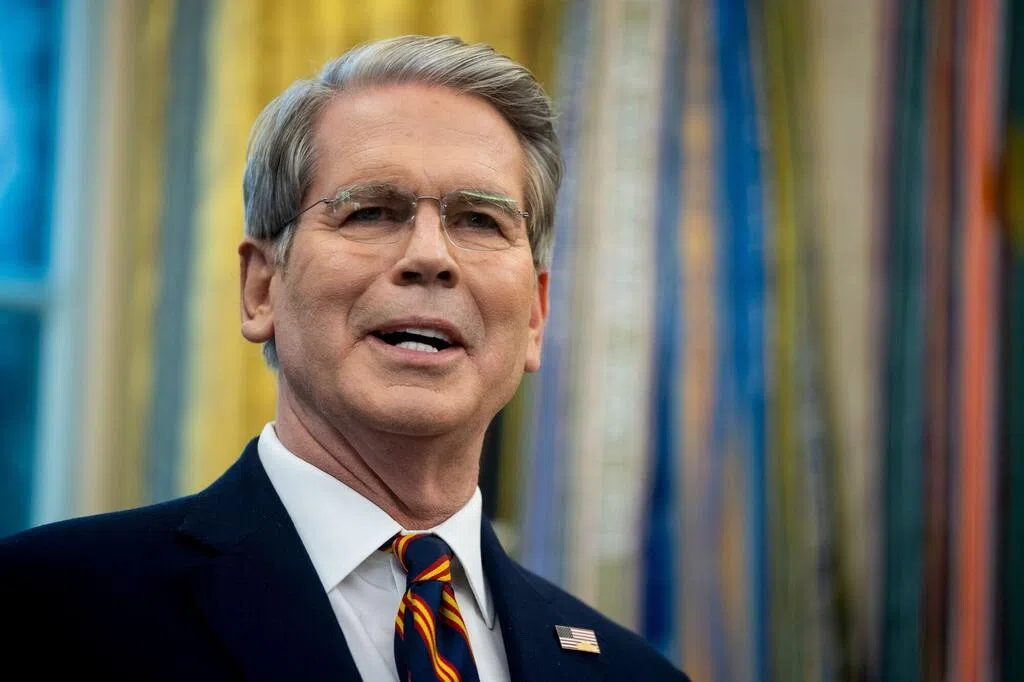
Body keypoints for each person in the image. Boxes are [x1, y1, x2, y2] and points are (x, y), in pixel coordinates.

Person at [0, 35, 689, 681]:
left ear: (535, 316)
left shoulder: (632, 672)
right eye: (372, 212)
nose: (431, 256)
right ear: (261, 288)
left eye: (479, 220)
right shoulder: (46, 606)